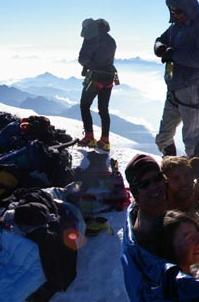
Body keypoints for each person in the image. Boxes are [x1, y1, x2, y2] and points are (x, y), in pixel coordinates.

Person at [153, 0, 199, 157]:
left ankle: (193, 179)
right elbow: (160, 39)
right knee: (163, 138)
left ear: (188, 6)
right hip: (174, 88)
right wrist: (159, 47)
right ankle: (172, 169)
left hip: (191, 88)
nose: (175, 15)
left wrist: (174, 54)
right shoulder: (175, 27)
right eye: (172, 11)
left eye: (178, 11)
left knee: (191, 140)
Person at [77, 18, 119, 151]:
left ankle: (89, 137)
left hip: (95, 77)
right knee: (103, 109)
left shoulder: (91, 37)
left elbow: (83, 58)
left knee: (84, 105)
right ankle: (105, 141)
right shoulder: (111, 40)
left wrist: (87, 65)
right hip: (109, 77)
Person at [125, 154, 169, 246]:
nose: (153, 186)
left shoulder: (164, 208)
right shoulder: (148, 231)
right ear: (135, 192)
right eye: (144, 184)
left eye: (157, 178)